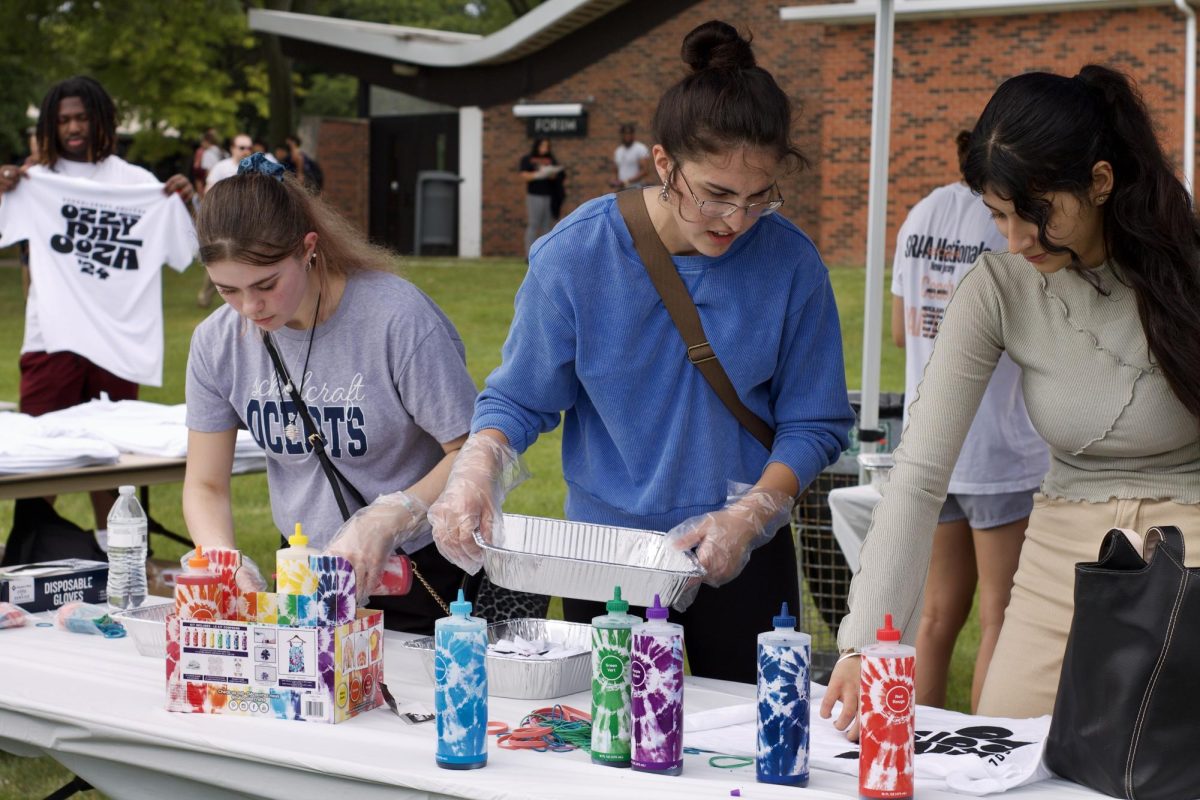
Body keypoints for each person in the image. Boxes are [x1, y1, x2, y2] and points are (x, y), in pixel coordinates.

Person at [430, 20, 855, 683]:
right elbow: (519, 397)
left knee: (747, 743)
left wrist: (752, 515)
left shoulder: (791, 263)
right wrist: (476, 466)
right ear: (664, 165)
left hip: (744, 549)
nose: (736, 221)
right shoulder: (577, 255)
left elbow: (815, 422)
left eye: (758, 198)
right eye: (715, 195)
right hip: (608, 554)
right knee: (613, 736)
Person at [823, 65, 1200, 732]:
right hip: (1063, 550)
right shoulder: (998, 287)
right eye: (998, 216)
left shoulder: (1187, 268)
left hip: (1191, 541)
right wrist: (861, 643)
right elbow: (918, 477)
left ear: (1101, 183)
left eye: (1035, 215)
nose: (1016, 240)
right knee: (1003, 738)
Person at [182, 154, 479, 634]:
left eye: (266, 284)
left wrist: (392, 516)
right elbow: (205, 484)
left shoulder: (396, 319)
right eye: (227, 291)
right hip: (305, 567)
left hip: (420, 567)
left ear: (308, 248)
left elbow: (471, 450)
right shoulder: (216, 342)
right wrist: (223, 559)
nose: (250, 307)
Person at [891, 130, 1048, 711]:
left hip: (933, 445)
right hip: (998, 450)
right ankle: (979, 753)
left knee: (933, 616)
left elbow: (898, 328)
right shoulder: (1011, 227)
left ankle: (920, 749)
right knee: (1000, 617)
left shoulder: (920, 214)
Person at [0, 75, 193, 533]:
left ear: (100, 119)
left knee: (114, 460)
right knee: (42, 457)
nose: (73, 127)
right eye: (63, 119)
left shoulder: (138, 183)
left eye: (81, 117)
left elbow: (189, 252)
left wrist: (186, 202)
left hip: (118, 342)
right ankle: (28, 557)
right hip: (52, 339)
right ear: (50, 124)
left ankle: (116, 557)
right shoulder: (34, 181)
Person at [196, 134, 254, 308]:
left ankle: (240, 295)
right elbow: (209, 193)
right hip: (225, 224)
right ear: (232, 148)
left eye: (249, 148)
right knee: (220, 259)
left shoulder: (256, 168)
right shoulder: (221, 168)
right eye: (242, 147)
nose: (246, 151)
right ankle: (206, 296)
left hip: (248, 224)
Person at [518, 138, 562, 257]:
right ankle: (529, 255)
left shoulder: (551, 159)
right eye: (542, 146)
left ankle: (545, 254)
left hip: (549, 195)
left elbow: (556, 177)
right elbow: (525, 176)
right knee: (534, 224)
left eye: (547, 146)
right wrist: (539, 174)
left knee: (547, 225)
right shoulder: (527, 159)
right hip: (534, 195)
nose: (544, 148)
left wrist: (551, 173)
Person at [610, 123, 651, 189]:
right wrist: (614, 181)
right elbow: (615, 171)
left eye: (629, 133)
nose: (627, 136)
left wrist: (627, 181)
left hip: (636, 188)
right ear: (622, 135)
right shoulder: (618, 151)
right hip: (622, 189)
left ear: (633, 134)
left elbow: (645, 171)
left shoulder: (640, 148)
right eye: (625, 133)